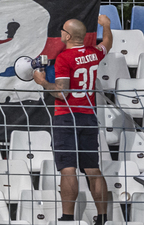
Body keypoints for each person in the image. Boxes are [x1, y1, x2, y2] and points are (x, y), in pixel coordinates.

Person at [32, 15, 113, 225]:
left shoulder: (65, 57)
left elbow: (62, 93)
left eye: (62, 30)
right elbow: (107, 44)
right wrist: (106, 25)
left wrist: (43, 82)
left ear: (68, 36)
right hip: (88, 115)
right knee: (92, 168)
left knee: (68, 168)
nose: (60, 33)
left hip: (67, 116)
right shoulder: (93, 53)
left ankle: (67, 218)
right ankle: (102, 217)